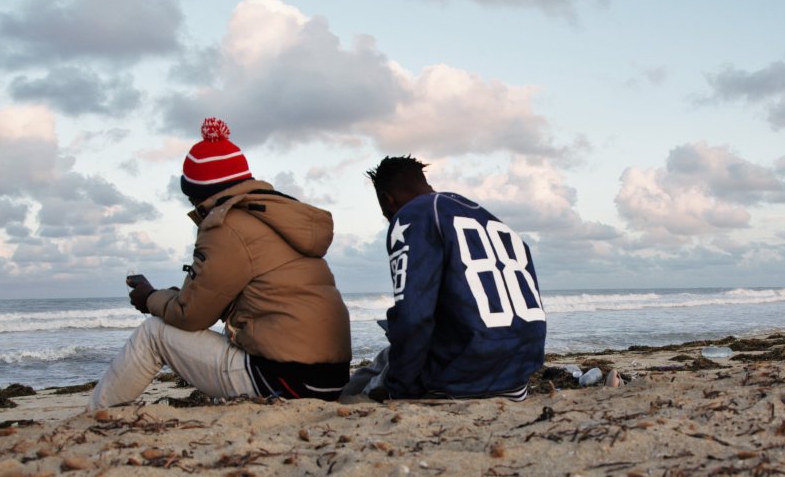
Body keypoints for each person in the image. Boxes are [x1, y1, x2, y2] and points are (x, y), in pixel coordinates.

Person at [88, 118, 351, 410]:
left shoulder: (227, 225)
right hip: (330, 378)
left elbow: (191, 315)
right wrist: (167, 296)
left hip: (284, 381)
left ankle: (96, 413)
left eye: (190, 197)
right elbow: (213, 298)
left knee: (153, 332)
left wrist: (149, 297)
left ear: (202, 193)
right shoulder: (274, 216)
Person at [343, 155, 546, 401]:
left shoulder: (412, 216)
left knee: (367, 384)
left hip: (461, 381)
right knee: (382, 361)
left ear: (388, 199)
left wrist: (399, 389)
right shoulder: (494, 223)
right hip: (515, 377)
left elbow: (413, 318)